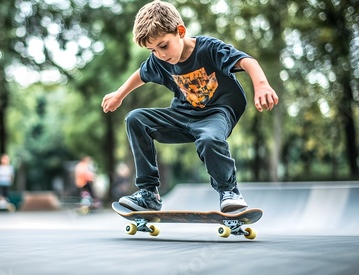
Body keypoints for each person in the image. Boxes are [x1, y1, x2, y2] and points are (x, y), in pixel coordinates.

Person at [101, 0, 278, 212]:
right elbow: (141, 74)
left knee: (209, 139)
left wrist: (261, 85)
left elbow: (247, 61)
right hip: (182, 116)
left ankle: (229, 191)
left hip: (217, 113)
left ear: (180, 31)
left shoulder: (209, 49)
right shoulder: (158, 61)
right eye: (152, 50)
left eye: (164, 45)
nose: (161, 55)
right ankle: (149, 193)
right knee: (135, 119)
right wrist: (119, 95)